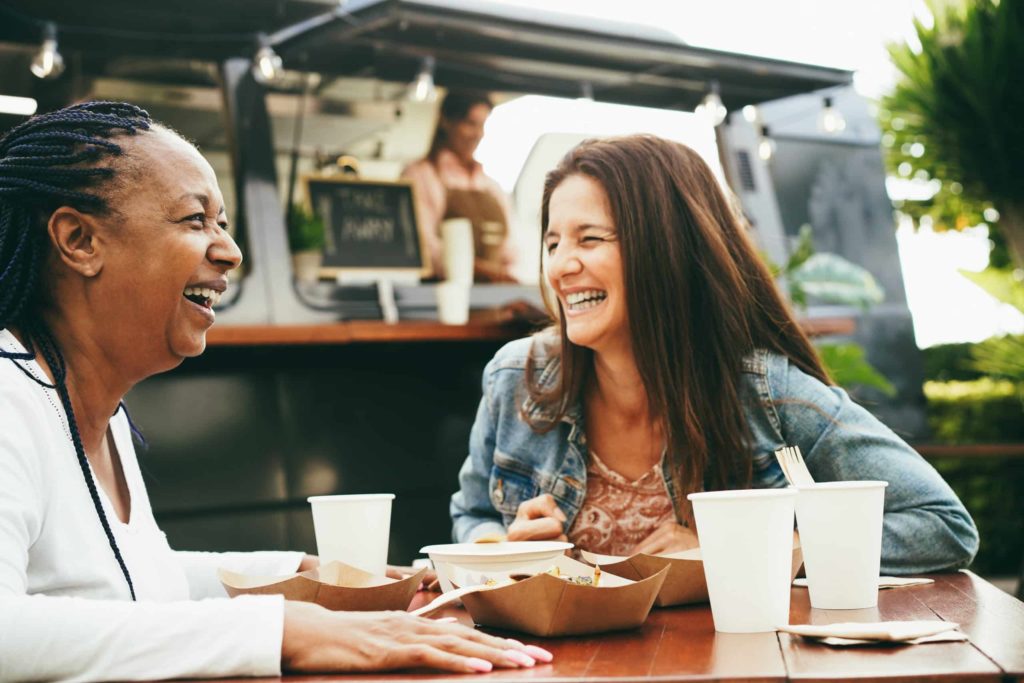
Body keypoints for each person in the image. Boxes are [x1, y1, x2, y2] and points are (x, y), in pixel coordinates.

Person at [0, 101, 551, 681]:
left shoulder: (95, 409)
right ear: (78, 239)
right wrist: (286, 630)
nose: (230, 251)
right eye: (196, 220)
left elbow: (138, 581)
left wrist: (309, 578)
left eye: (224, 224)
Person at [450, 134, 979, 574]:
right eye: (552, 243)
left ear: (666, 247)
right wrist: (499, 550)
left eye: (589, 239)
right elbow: (473, 514)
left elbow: (941, 524)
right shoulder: (516, 378)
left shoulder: (767, 396)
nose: (561, 266)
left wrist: (744, 553)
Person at [401, 90, 516, 282]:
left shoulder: (491, 185)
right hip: (443, 300)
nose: (478, 134)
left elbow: (512, 249)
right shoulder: (420, 175)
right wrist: (484, 270)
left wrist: (508, 275)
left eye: (482, 126)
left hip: (497, 301)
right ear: (446, 122)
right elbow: (423, 247)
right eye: (470, 124)